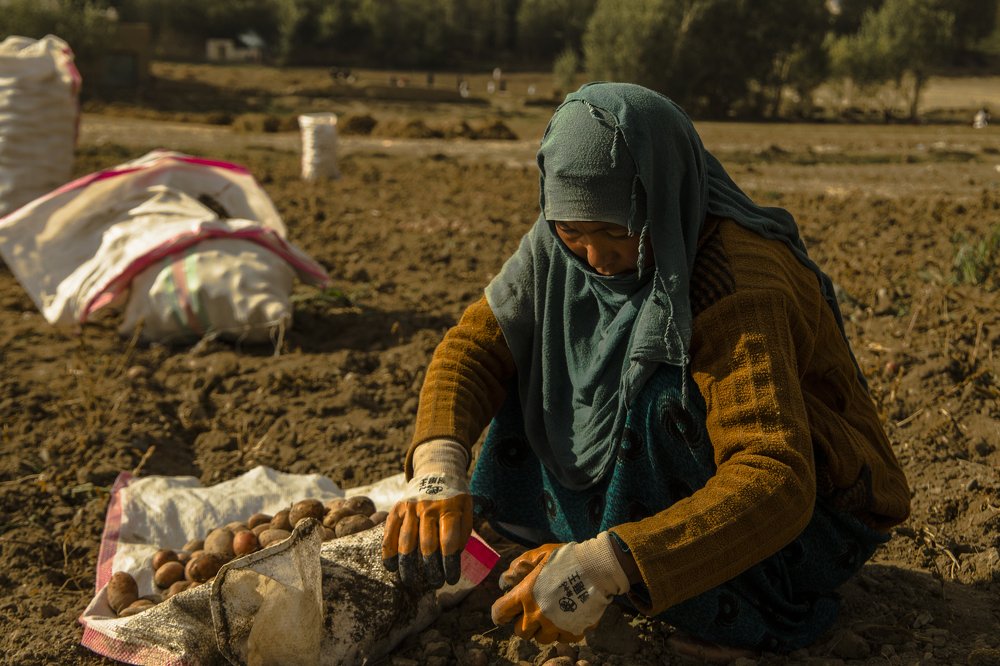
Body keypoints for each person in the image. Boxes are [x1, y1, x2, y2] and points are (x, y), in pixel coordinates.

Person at [381, 82, 911, 657]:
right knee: (531, 344)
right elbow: (473, 348)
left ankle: (694, 588)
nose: (596, 258)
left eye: (619, 232)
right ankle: (575, 544)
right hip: (660, 502)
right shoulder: (556, 246)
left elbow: (775, 476)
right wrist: (437, 469)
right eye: (572, 232)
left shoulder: (737, 282)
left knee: (663, 398)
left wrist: (605, 566)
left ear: (663, 198)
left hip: (801, 524)